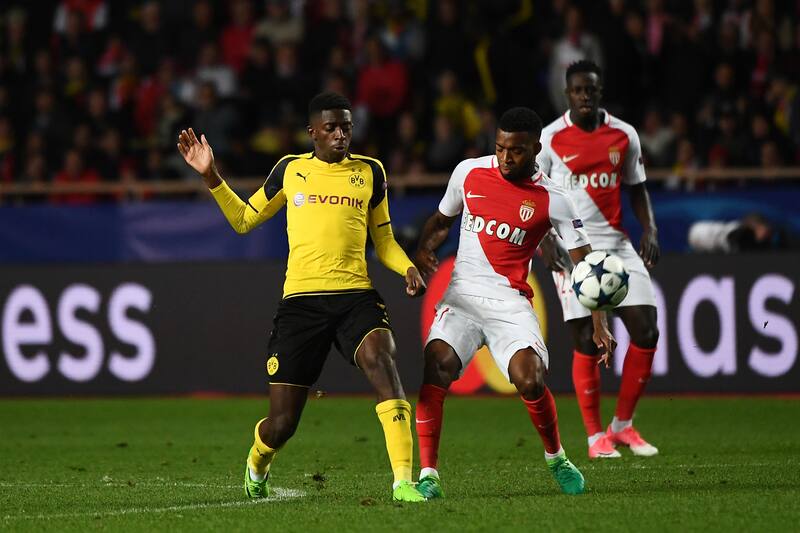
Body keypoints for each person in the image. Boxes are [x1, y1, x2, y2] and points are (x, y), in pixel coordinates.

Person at [176, 92, 428, 502]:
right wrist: (211, 176)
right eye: (331, 127)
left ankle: (403, 482)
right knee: (282, 424)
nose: (340, 134)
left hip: (355, 296)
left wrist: (408, 267)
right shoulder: (290, 170)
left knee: (382, 359)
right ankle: (258, 462)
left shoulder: (370, 171)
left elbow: (383, 241)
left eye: (346, 127)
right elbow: (244, 220)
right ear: (313, 132)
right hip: (301, 304)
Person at [412, 107, 616, 499]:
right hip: (463, 297)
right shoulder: (468, 172)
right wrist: (422, 251)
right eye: (501, 148)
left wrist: (599, 323)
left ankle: (556, 458)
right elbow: (440, 222)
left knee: (530, 378)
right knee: (436, 365)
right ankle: (428, 475)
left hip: (510, 303)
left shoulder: (555, 198)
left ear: (536, 149)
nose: (506, 157)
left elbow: (586, 266)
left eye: (517, 151)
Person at [537, 60, 660, 459]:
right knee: (586, 340)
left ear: (599, 91)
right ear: (567, 94)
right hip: (572, 247)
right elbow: (533, 193)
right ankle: (594, 437)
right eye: (577, 90)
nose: (584, 96)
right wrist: (544, 241)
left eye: (590, 89)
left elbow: (637, 188)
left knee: (646, 330)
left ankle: (622, 426)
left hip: (616, 245)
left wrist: (651, 229)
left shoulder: (624, 134)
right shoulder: (549, 139)